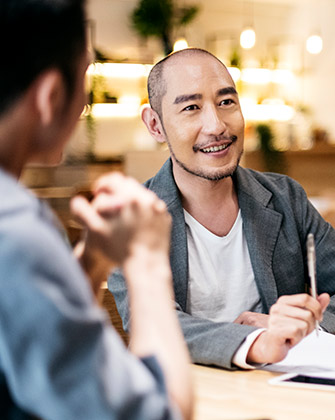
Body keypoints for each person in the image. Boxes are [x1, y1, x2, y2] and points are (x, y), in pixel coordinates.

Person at [109, 47, 335, 370]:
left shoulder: (285, 197)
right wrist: (257, 343)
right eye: (191, 107)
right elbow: (153, 323)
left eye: (226, 102)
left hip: (283, 394)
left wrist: (300, 327)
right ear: (155, 125)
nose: (216, 125)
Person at [0, 1, 192, 419]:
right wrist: (145, 261)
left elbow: (42, 343)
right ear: (51, 96)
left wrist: (92, 262)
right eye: (85, 74)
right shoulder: (16, 230)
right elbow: (162, 412)